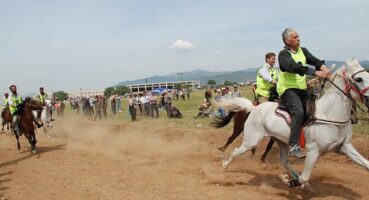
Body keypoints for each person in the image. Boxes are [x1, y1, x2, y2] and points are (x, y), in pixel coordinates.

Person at [277, 28, 330, 158]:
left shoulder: (303, 51)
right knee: (298, 112)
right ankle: (294, 145)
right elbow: (293, 67)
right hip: (288, 90)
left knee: (316, 108)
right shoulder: (283, 54)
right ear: (287, 40)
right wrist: (315, 72)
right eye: (295, 37)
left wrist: (324, 68)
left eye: (298, 36)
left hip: (302, 89)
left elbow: (315, 61)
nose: (298, 38)